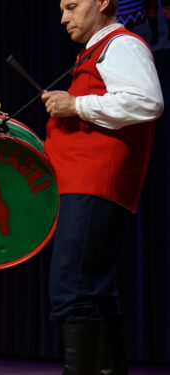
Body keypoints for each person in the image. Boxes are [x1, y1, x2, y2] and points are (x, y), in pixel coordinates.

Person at [41, 0, 164, 373]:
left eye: (72, 6)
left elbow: (147, 102)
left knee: (73, 289)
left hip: (95, 182)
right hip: (84, 184)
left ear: (104, 2)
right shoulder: (94, 51)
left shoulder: (121, 44)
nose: (63, 18)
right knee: (96, 293)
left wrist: (76, 104)